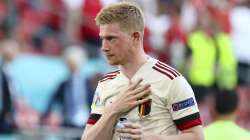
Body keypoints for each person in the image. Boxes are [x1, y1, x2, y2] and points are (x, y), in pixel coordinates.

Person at [82, 2, 204, 140]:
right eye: (102, 38)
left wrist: (152, 138)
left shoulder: (170, 80)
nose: (104, 47)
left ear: (135, 37)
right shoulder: (105, 83)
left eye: (111, 38)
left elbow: (197, 137)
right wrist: (113, 110)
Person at [43, 46, 94, 129]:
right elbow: (52, 101)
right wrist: (47, 116)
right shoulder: (64, 84)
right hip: (68, 121)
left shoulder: (88, 83)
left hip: (86, 121)